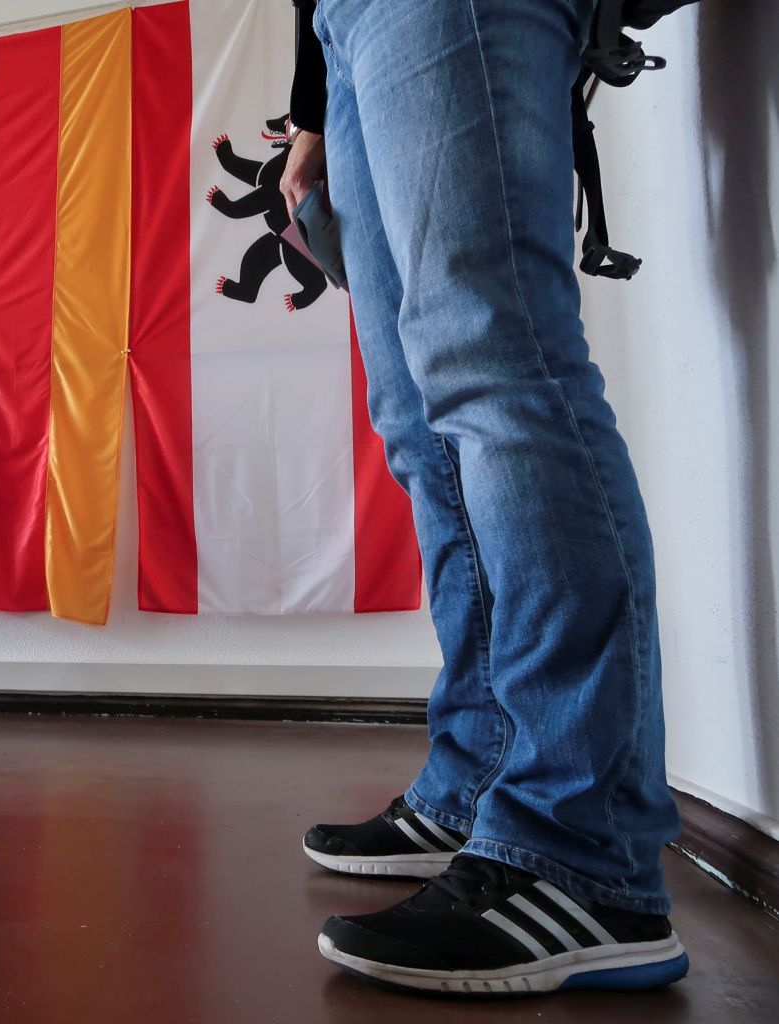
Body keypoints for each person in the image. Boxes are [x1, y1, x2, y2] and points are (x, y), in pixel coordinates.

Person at [284, 0, 687, 996]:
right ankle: (478, 774)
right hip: (342, 27)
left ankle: (580, 850)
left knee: (499, 368)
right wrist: (310, 106)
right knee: (418, 420)